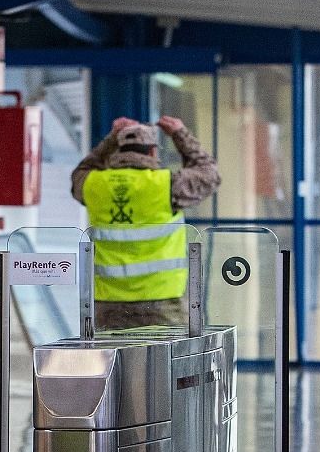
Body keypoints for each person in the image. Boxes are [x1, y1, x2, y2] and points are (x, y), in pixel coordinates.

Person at [71, 115, 221, 329]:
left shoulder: (94, 184)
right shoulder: (167, 185)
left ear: (118, 151)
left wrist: (111, 139)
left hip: (108, 303)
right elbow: (210, 174)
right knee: (169, 360)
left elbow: (81, 171)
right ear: (152, 151)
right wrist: (180, 135)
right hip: (163, 301)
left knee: (113, 361)